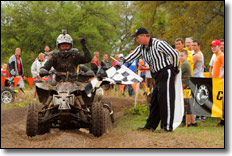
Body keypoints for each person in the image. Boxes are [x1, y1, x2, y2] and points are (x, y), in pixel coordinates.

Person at [117, 27, 179, 132]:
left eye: (138, 37)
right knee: (155, 100)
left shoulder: (158, 44)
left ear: (144, 36)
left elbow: (174, 54)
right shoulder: (141, 48)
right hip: (157, 75)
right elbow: (132, 56)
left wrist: (175, 68)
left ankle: (167, 127)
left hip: (166, 72)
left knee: (166, 99)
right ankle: (150, 126)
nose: (137, 40)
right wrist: (122, 61)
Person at [179, 50, 198, 127]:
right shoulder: (184, 64)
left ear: (186, 56)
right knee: (189, 104)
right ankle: (193, 122)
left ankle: (187, 123)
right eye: (179, 55)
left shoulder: (185, 64)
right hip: (188, 85)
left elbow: (177, 73)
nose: (180, 57)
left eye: (182, 56)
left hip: (186, 86)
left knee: (186, 104)